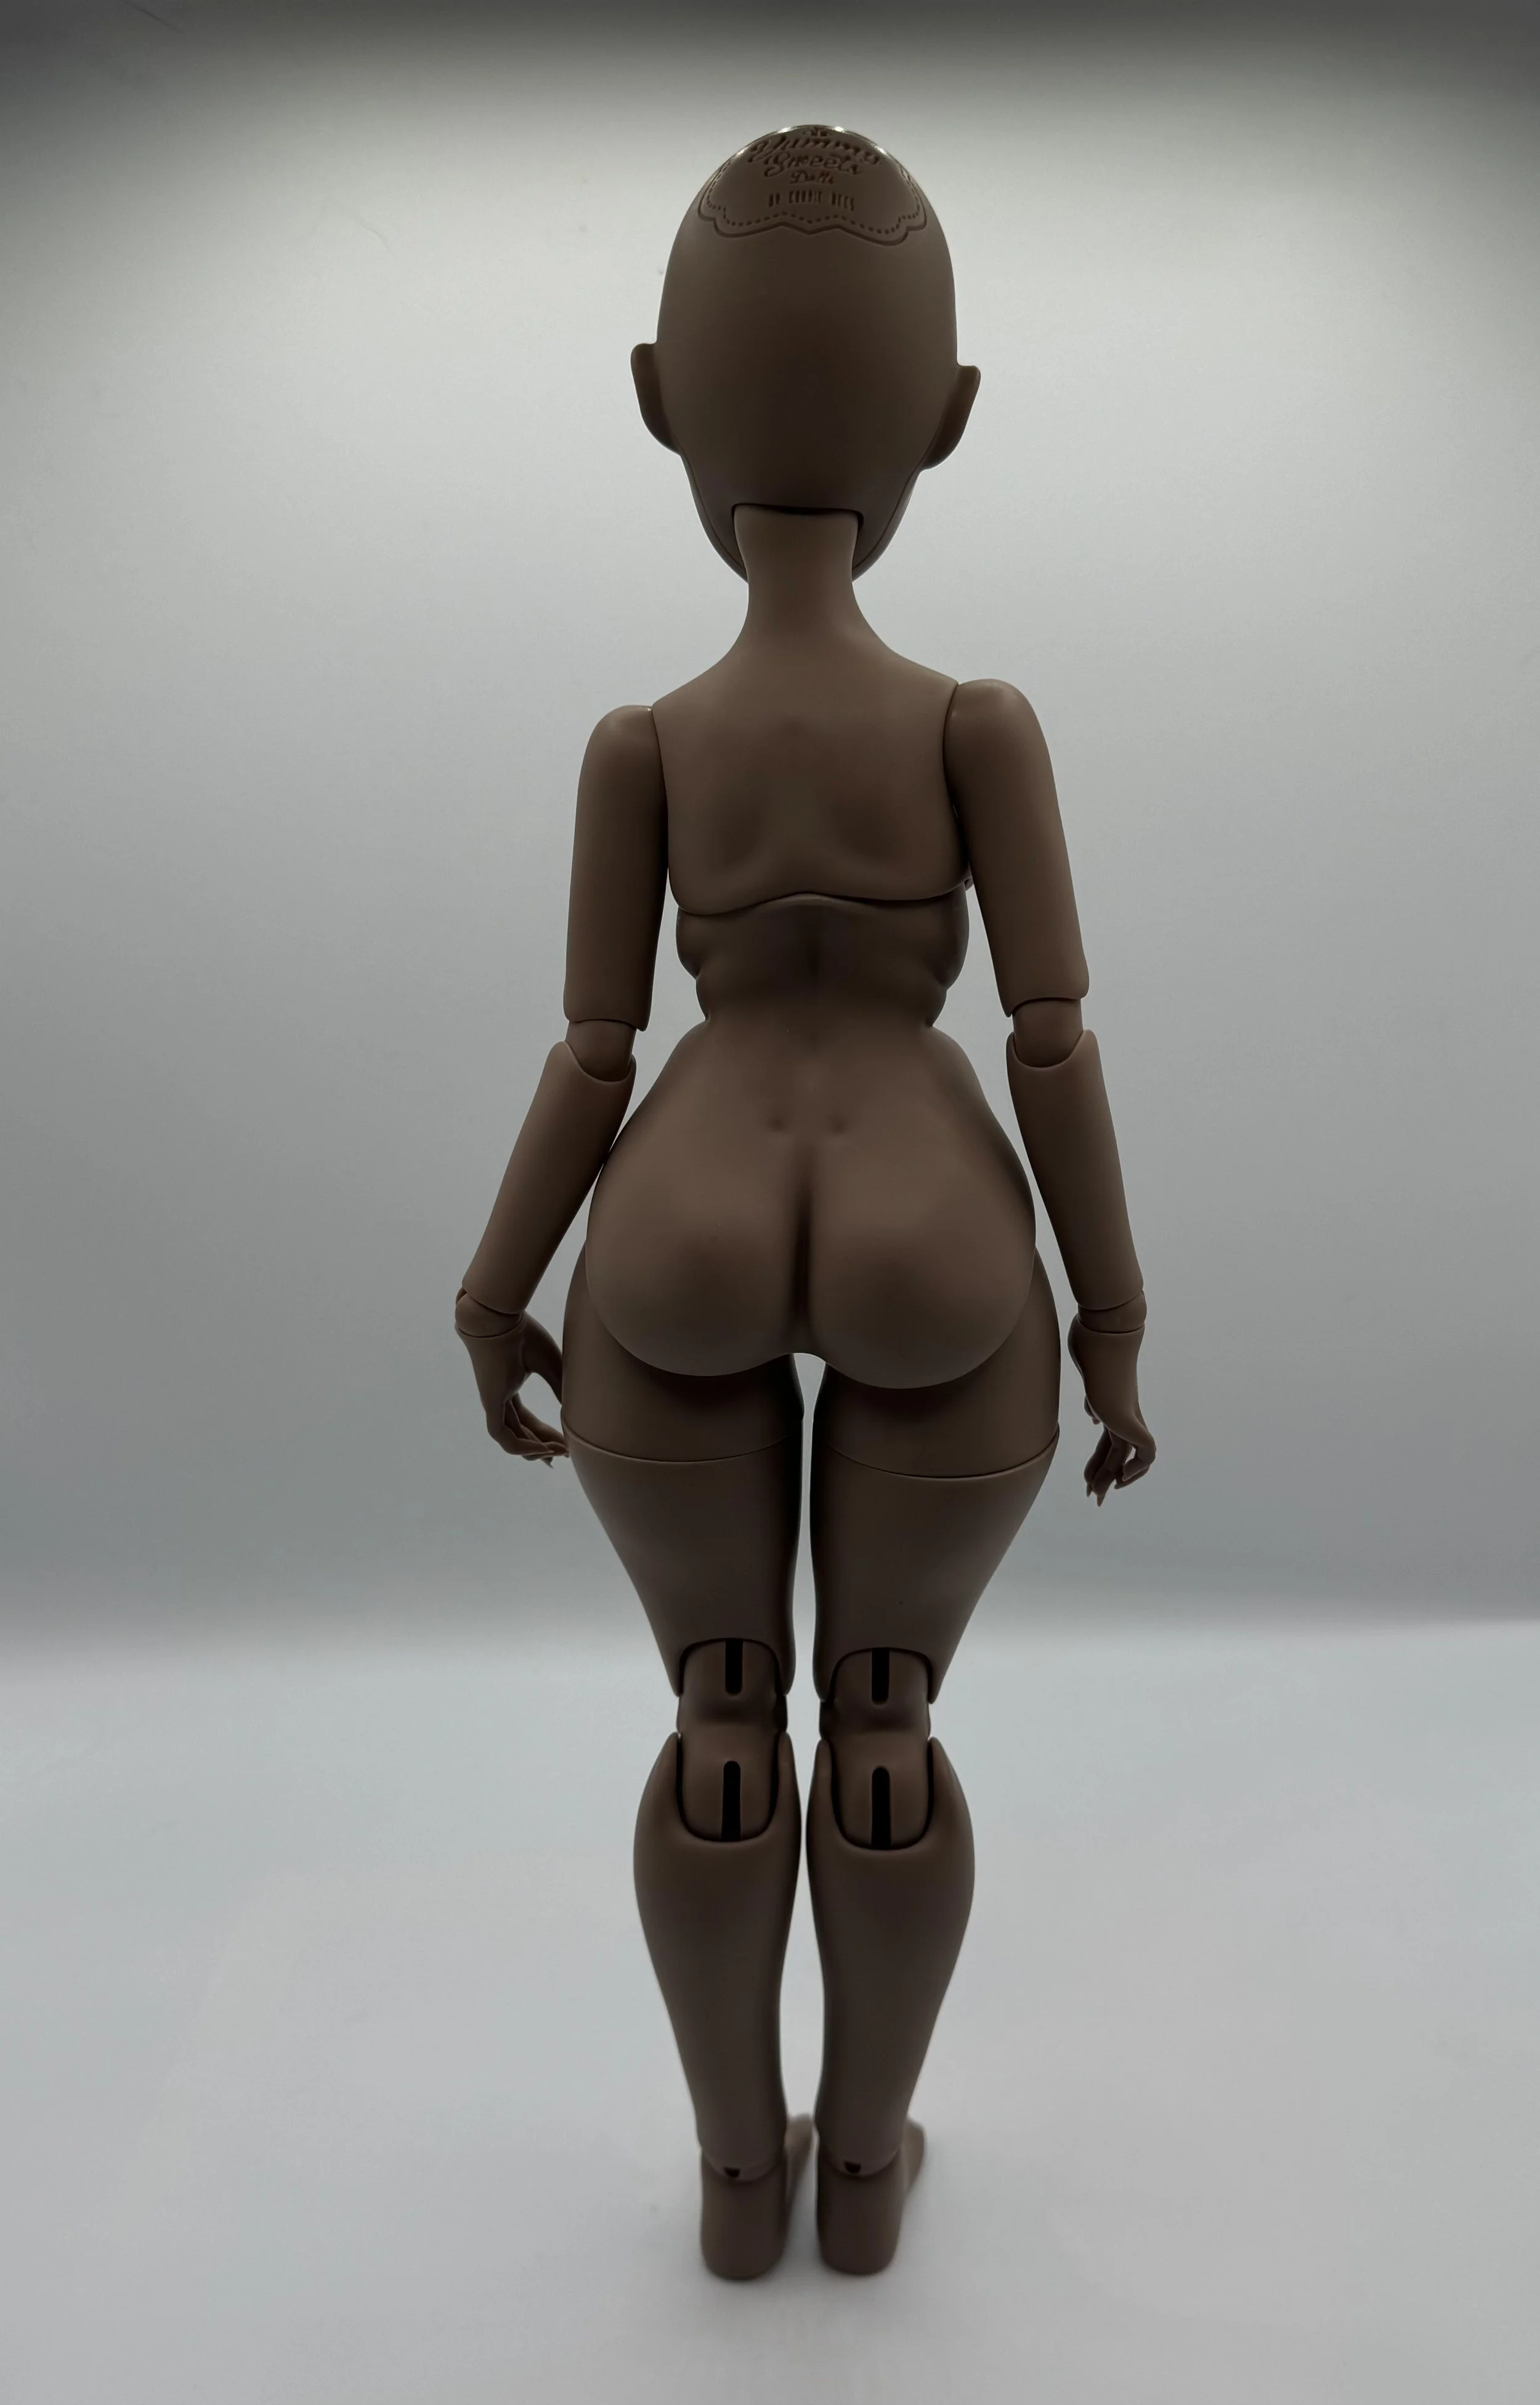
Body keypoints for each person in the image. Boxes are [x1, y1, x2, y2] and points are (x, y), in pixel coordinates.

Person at [455, 124, 1154, 2281]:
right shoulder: (974, 724)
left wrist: (491, 1286)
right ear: (944, 419)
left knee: (717, 1709)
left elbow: (594, 1054)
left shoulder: (644, 742)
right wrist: (1112, 1318)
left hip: (675, 1213)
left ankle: (731, 2181)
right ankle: (860, 2173)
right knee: (883, 1721)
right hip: (935, 1228)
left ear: (659, 397)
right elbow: (1050, 1041)